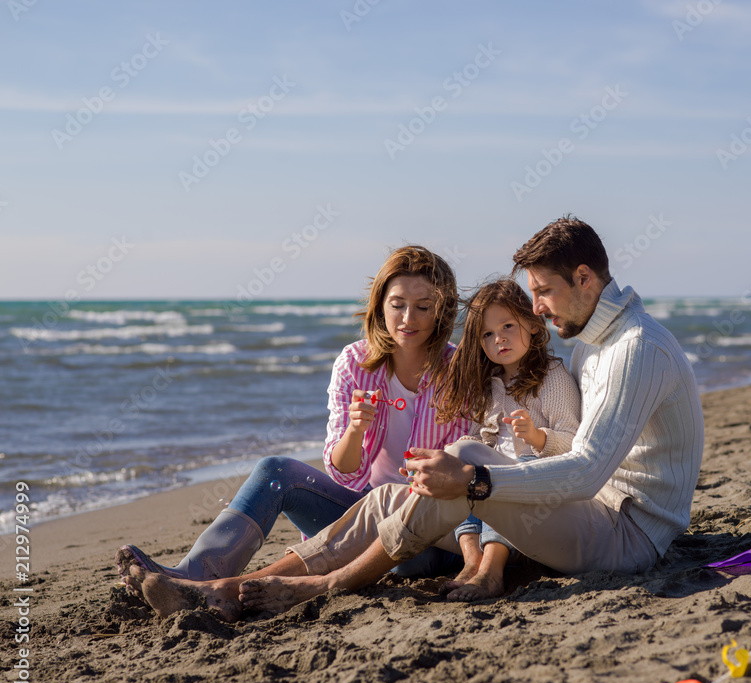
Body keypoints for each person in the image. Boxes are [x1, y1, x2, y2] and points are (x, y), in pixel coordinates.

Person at [126, 217, 704, 622]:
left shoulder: (634, 349)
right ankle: (230, 585)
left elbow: (583, 472)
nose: (538, 309)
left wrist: (478, 483)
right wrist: (466, 473)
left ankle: (319, 584)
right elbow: (350, 464)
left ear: (585, 278)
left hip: (628, 534)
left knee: (464, 465)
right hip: (586, 515)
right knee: (401, 491)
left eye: (544, 293)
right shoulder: (596, 344)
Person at [116, 245, 470, 587]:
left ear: (442, 311)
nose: (408, 319)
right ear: (380, 306)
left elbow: (474, 461)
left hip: (428, 537)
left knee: (410, 535)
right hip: (362, 518)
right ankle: (196, 573)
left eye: (423, 307)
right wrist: (356, 430)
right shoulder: (354, 364)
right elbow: (344, 471)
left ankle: (227, 584)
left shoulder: (461, 371)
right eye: (397, 305)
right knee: (275, 470)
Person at [434, 278, 580, 601]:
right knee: (460, 465)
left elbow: (574, 444)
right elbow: (475, 440)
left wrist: (537, 437)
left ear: (533, 323)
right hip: (493, 497)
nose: (498, 339)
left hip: (536, 495)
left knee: (514, 467)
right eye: (487, 334)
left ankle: (492, 571)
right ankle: (472, 560)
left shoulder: (551, 377)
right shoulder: (489, 384)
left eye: (508, 326)